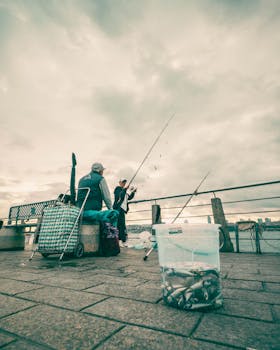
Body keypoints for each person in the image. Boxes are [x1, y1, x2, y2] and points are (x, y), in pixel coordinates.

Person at [113, 179, 137, 246]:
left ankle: (122, 240)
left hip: (122, 210)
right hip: (118, 209)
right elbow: (120, 196)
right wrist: (125, 189)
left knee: (122, 225)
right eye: (123, 182)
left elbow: (128, 198)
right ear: (119, 182)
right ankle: (119, 240)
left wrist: (133, 192)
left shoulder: (124, 191)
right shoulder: (117, 189)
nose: (124, 183)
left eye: (125, 182)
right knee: (119, 225)